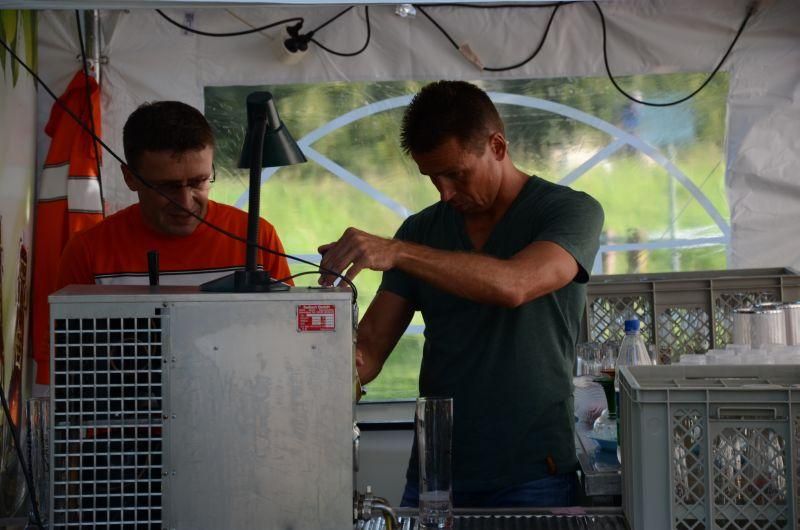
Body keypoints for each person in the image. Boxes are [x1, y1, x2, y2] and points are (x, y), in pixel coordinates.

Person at [318, 81, 604, 507]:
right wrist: (317, 367)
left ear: (498, 145)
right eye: (432, 177)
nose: (445, 192)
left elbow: (515, 284)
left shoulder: (568, 211)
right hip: (435, 476)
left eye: (456, 173)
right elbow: (371, 350)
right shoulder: (421, 231)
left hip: (533, 474)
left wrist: (398, 252)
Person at [58, 100, 292, 287]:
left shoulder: (258, 237)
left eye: (198, 181)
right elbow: (60, 344)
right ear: (130, 178)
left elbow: (289, 330)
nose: (184, 201)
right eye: (168, 186)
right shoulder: (88, 251)